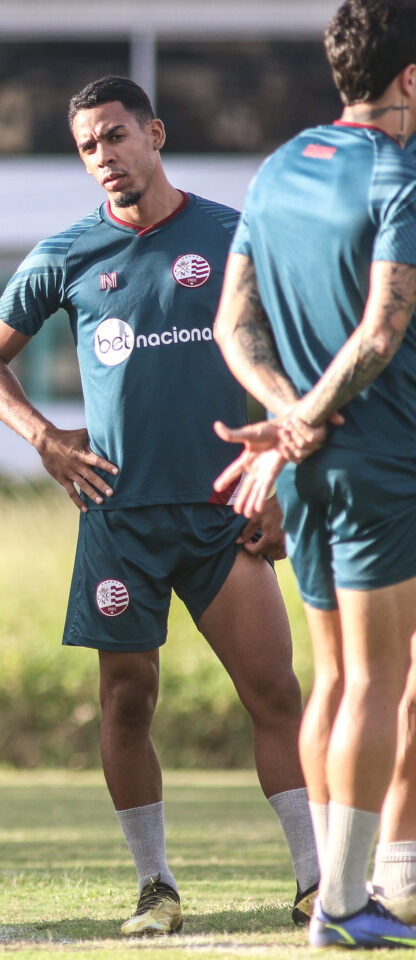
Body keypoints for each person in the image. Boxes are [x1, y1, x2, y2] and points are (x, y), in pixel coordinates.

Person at [0, 75, 316, 937]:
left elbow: (294, 355)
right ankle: (155, 887)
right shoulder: (69, 252)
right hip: (118, 521)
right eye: (89, 146)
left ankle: (316, 881)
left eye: (117, 136)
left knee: (274, 693)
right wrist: (46, 438)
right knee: (125, 702)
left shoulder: (233, 236)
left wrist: (283, 479)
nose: (106, 157)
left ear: (154, 133)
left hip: (222, 511)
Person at [210, 0, 416, 947]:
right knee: (380, 681)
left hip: (307, 468)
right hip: (379, 462)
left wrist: (284, 418)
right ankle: (339, 905)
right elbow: (381, 331)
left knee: (333, 679)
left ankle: (340, 892)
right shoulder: (401, 177)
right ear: (409, 79)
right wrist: (308, 419)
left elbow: (233, 326)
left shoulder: (277, 164)